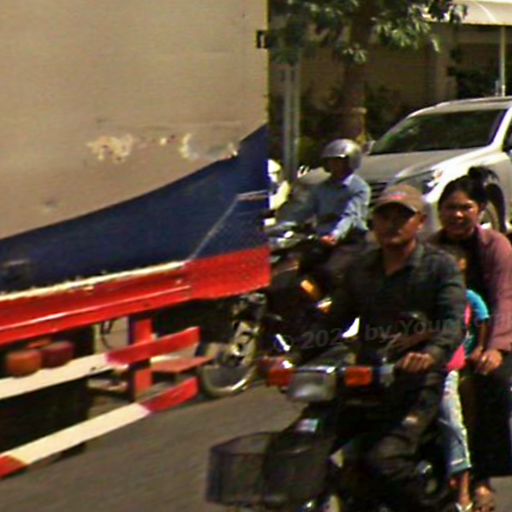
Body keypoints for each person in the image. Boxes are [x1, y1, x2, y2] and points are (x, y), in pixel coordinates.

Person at [316, 184, 466, 512]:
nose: (392, 224)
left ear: (420, 221)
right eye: (384, 216)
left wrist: (430, 354)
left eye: (403, 216)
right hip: (364, 379)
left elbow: (452, 322)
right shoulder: (361, 269)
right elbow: (332, 323)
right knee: (304, 445)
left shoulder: (439, 266)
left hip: (417, 383)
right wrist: (290, 356)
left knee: (383, 461)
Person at [430, 168, 512, 512]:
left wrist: (494, 348)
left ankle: (482, 477)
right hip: (441, 340)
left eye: (465, 207)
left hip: (490, 336)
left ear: (479, 211)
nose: (458, 215)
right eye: (450, 207)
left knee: (491, 384)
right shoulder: (429, 249)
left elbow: (504, 298)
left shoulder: (496, 246)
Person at [277, 139, 371, 286]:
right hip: (321, 240)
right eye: (331, 161)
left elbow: (351, 216)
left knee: (328, 272)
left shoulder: (358, 188)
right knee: (291, 263)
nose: (334, 165)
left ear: (350, 162)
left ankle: (336, 299)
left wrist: (335, 235)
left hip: (349, 241)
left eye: (339, 161)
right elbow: (304, 211)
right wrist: (280, 226)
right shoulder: (321, 188)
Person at [440, 245, 490, 512]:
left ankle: (463, 487)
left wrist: (480, 347)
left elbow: (471, 322)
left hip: (446, 366)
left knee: (452, 422)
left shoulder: (463, 297)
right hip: (412, 367)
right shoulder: (422, 292)